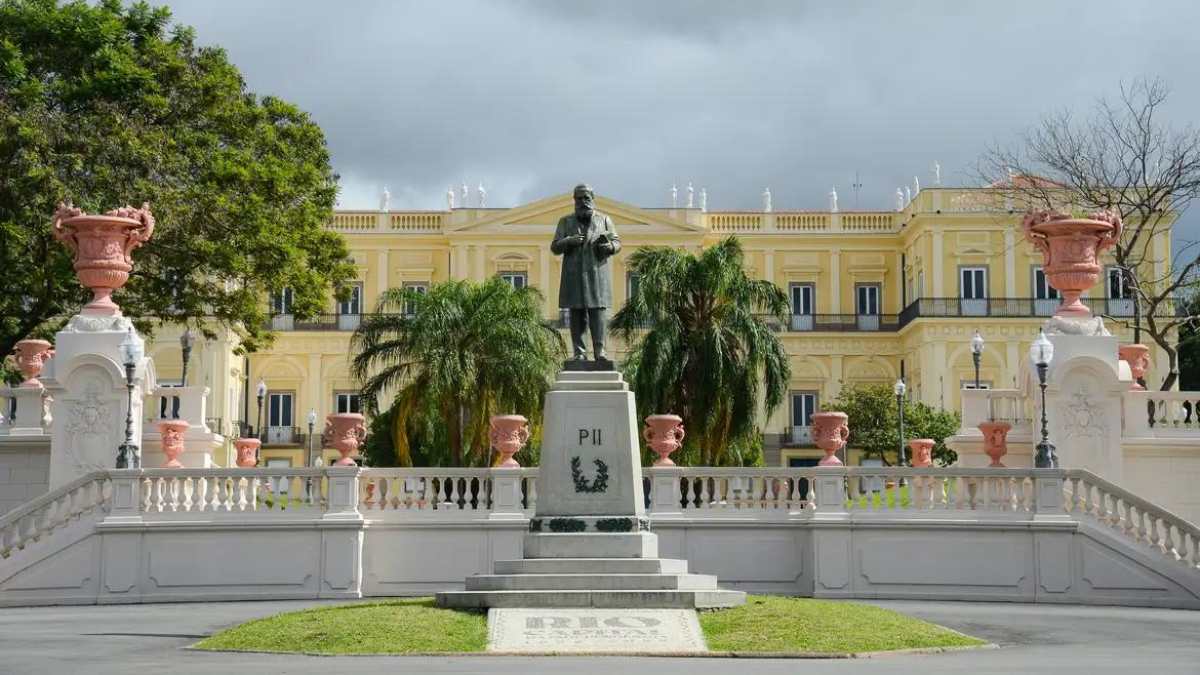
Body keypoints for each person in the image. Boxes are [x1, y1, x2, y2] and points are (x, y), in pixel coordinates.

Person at [551, 184, 620, 364]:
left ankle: (600, 353)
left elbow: (616, 242)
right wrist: (569, 241)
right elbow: (555, 247)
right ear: (574, 201)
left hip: (596, 275)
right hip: (573, 276)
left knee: (598, 314)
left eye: (586, 198)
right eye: (579, 198)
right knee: (576, 314)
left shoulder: (604, 220)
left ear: (592, 199)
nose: (583, 202)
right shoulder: (565, 222)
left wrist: (610, 247)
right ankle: (579, 353)